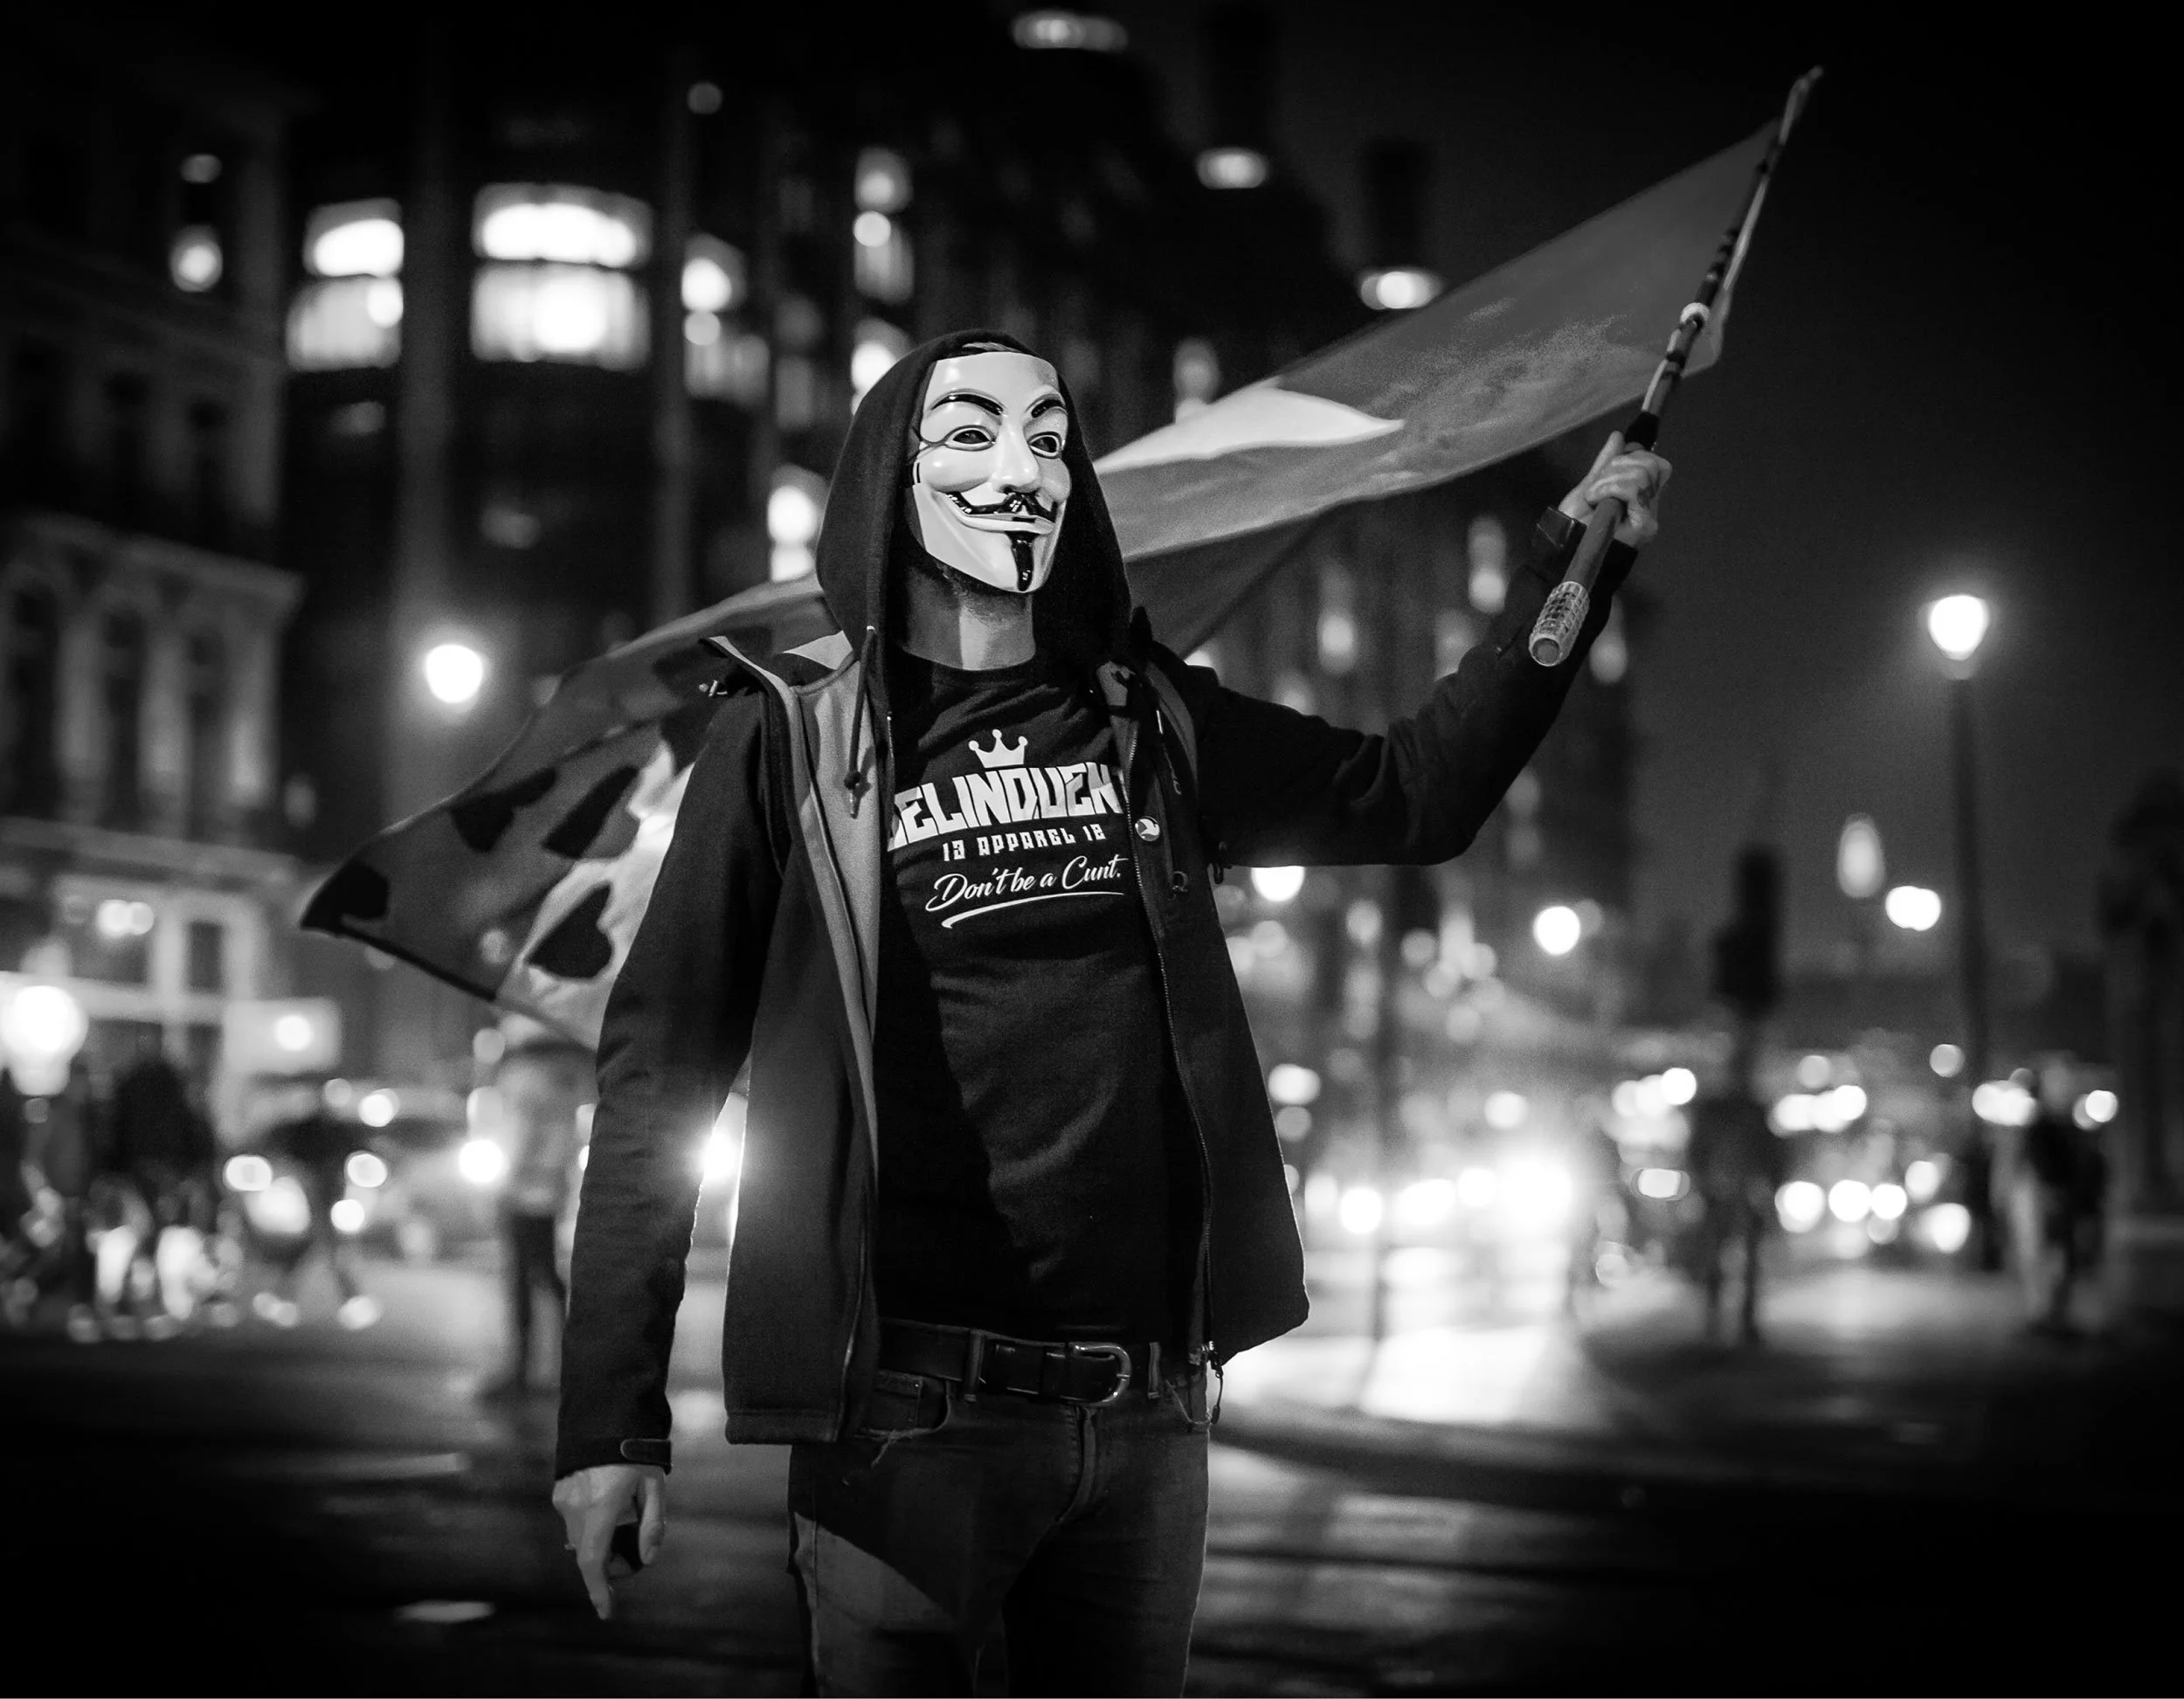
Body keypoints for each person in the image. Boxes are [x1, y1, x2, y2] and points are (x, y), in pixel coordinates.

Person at [552, 330, 1669, 1692]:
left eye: (1046, 437)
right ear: (887, 483)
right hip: (910, 1425)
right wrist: (609, 1423)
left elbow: (1416, 797)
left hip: (1146, 1427)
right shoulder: (789, 740)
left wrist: (1581, 557)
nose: (1018, 468)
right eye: (969, 433)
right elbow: (658, 1074)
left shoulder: (1148, 725)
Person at [478, 1024, 589, 1400]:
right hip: (549, 1187)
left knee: (523, 1278)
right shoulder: (568, 1079)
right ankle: (565, 1363)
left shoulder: (522, 1078)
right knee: (545, 1275)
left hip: (522, 1186)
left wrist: (505, 1181)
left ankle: (523, 1369)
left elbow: (518, 1134)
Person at [255, 1081, 379, 1331]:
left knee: (318, 1241)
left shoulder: (334, 1129)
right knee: (329, 1243)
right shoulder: (313, 1129)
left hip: (329, 1189)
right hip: (317, 1189)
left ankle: (279, 1297)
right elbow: (284, 1146)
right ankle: (351, 1300)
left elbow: (357, 1149)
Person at [1686, 1080, 1778, 1346]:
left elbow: (1770, 1151)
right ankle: (1716, 1321)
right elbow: (1698, 1150)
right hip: (1720, 1192)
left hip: (1746, 1194)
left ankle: (1743, 1323)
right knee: (1717, 1258)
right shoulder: (1718, 1112)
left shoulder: (1751, 1113)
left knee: (1747, 1261)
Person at [2011, 1070, 2083, 1332]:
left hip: (2046, 1196)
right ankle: (2046, 1313)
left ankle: (2049, 1313)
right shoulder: (2044, 1127)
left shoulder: (2046, 1128)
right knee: (2044, 1254)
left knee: (2048, 1254)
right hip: (2044, 1196)